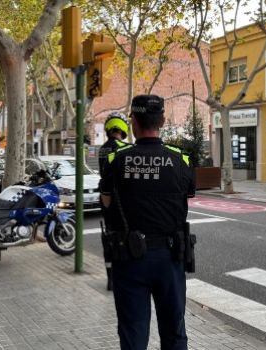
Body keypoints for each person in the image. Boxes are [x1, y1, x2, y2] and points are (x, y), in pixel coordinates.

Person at [100, 94, 195, 350]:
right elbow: (186, 198)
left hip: (129, 259)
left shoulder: (116, 160)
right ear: (162, 120)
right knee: (174, 333)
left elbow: (106, 204)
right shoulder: (180, 160)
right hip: (170, 258)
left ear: (133, 121)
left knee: (133, 334)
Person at [98, 112, 130, 291]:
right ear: (123, 128)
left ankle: (110, 277)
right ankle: (123, 272)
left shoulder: (102, 149)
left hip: (105, 198)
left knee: (108, 237)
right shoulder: (124, 148)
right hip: (121, 200)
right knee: (124, 236)